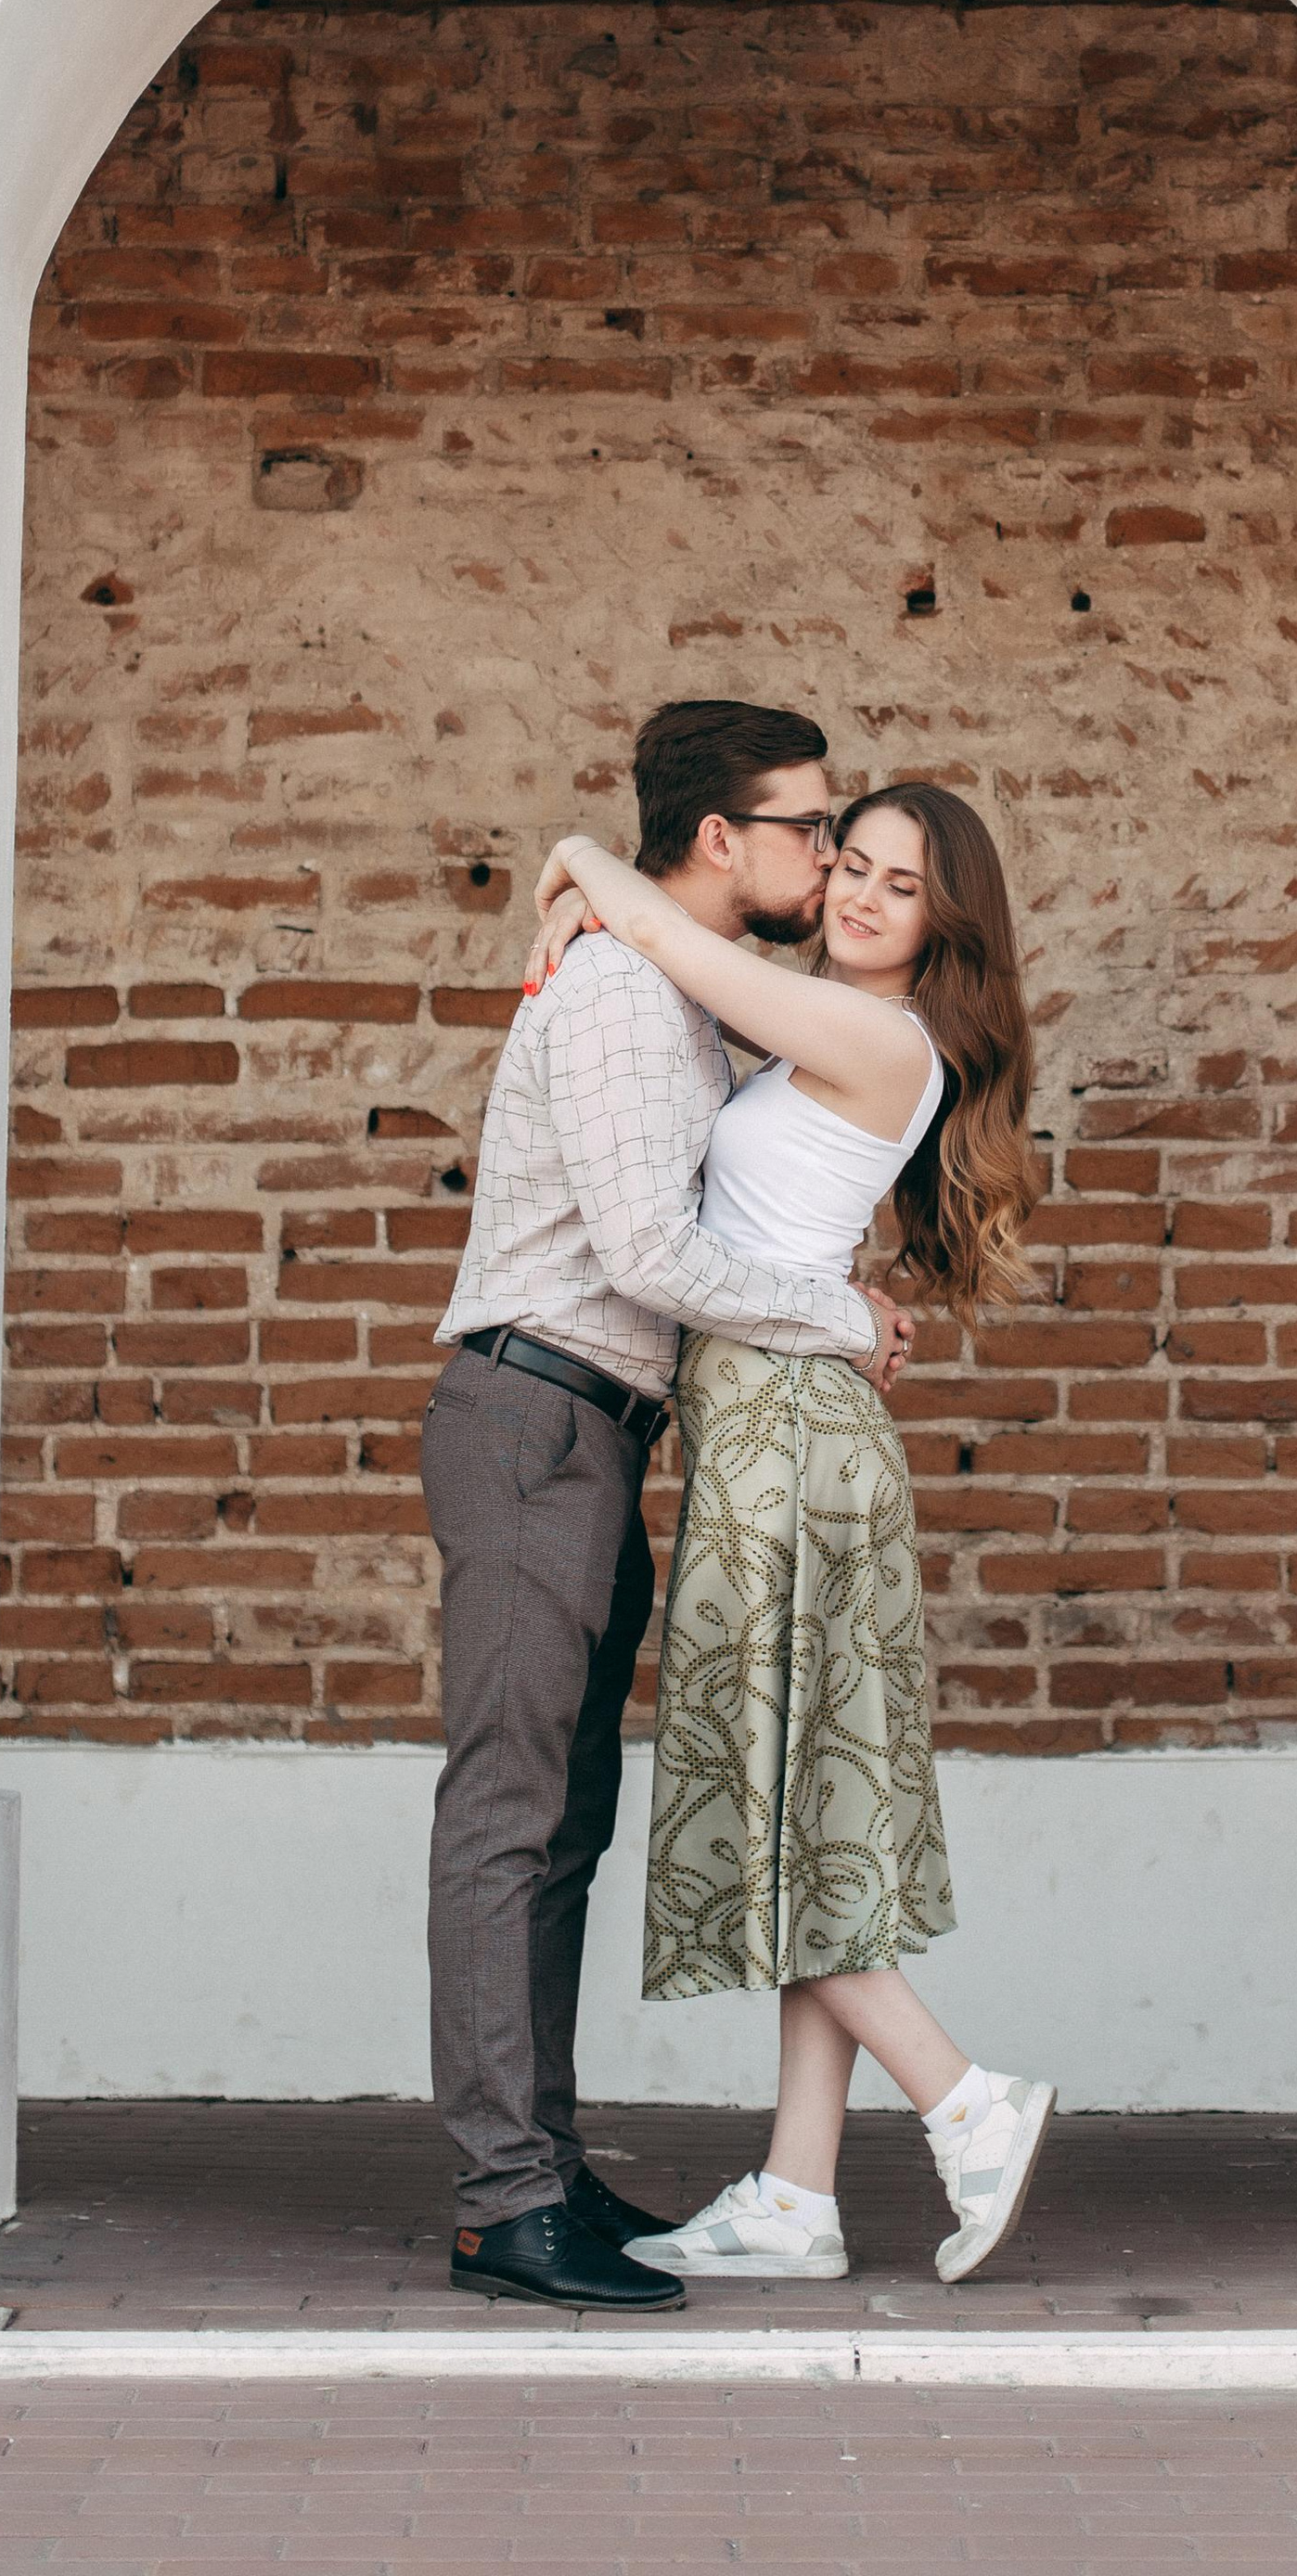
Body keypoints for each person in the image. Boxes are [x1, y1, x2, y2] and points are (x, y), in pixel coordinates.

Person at [520, 778, 1054, 2287]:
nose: (866, 896)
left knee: (768, 1815)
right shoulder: (826, 1027)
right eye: (855, 867)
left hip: (790, 1445)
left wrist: (573, 858)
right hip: (777, 1427)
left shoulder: (883, 1038)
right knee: (802, 1806)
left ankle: (964, 2101)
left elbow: (677, 950)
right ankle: (797, 2193)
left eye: (903, 884)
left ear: (946, 925)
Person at [422, 699, 917, 2314]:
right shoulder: (634, 1003)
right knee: (511, 1815)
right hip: (533, 1416)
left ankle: (540, 2164)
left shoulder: (677, 994)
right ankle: (505, 2204)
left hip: (590, 1430)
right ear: (724, 840)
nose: (830, 856)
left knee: (563, 1819)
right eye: (807, 828)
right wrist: (842, 1316)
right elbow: (647, 1255)